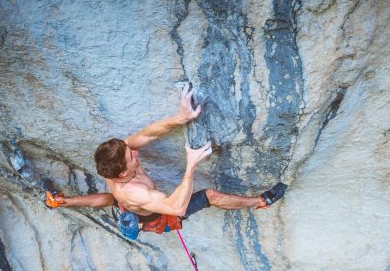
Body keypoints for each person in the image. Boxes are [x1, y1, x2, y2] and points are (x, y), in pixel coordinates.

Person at [45, 85, 286, 235]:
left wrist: (181, 117)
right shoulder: (133, 192)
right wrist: (191, 165)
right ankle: (260, 200)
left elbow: (148, 133)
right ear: (121, 174)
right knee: (210, 196)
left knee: (110, 199)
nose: (135, 153)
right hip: (156, 213)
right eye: (132, 158)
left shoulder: (117, 159)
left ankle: (63, 202)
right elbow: (176, 207)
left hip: (128, 205)